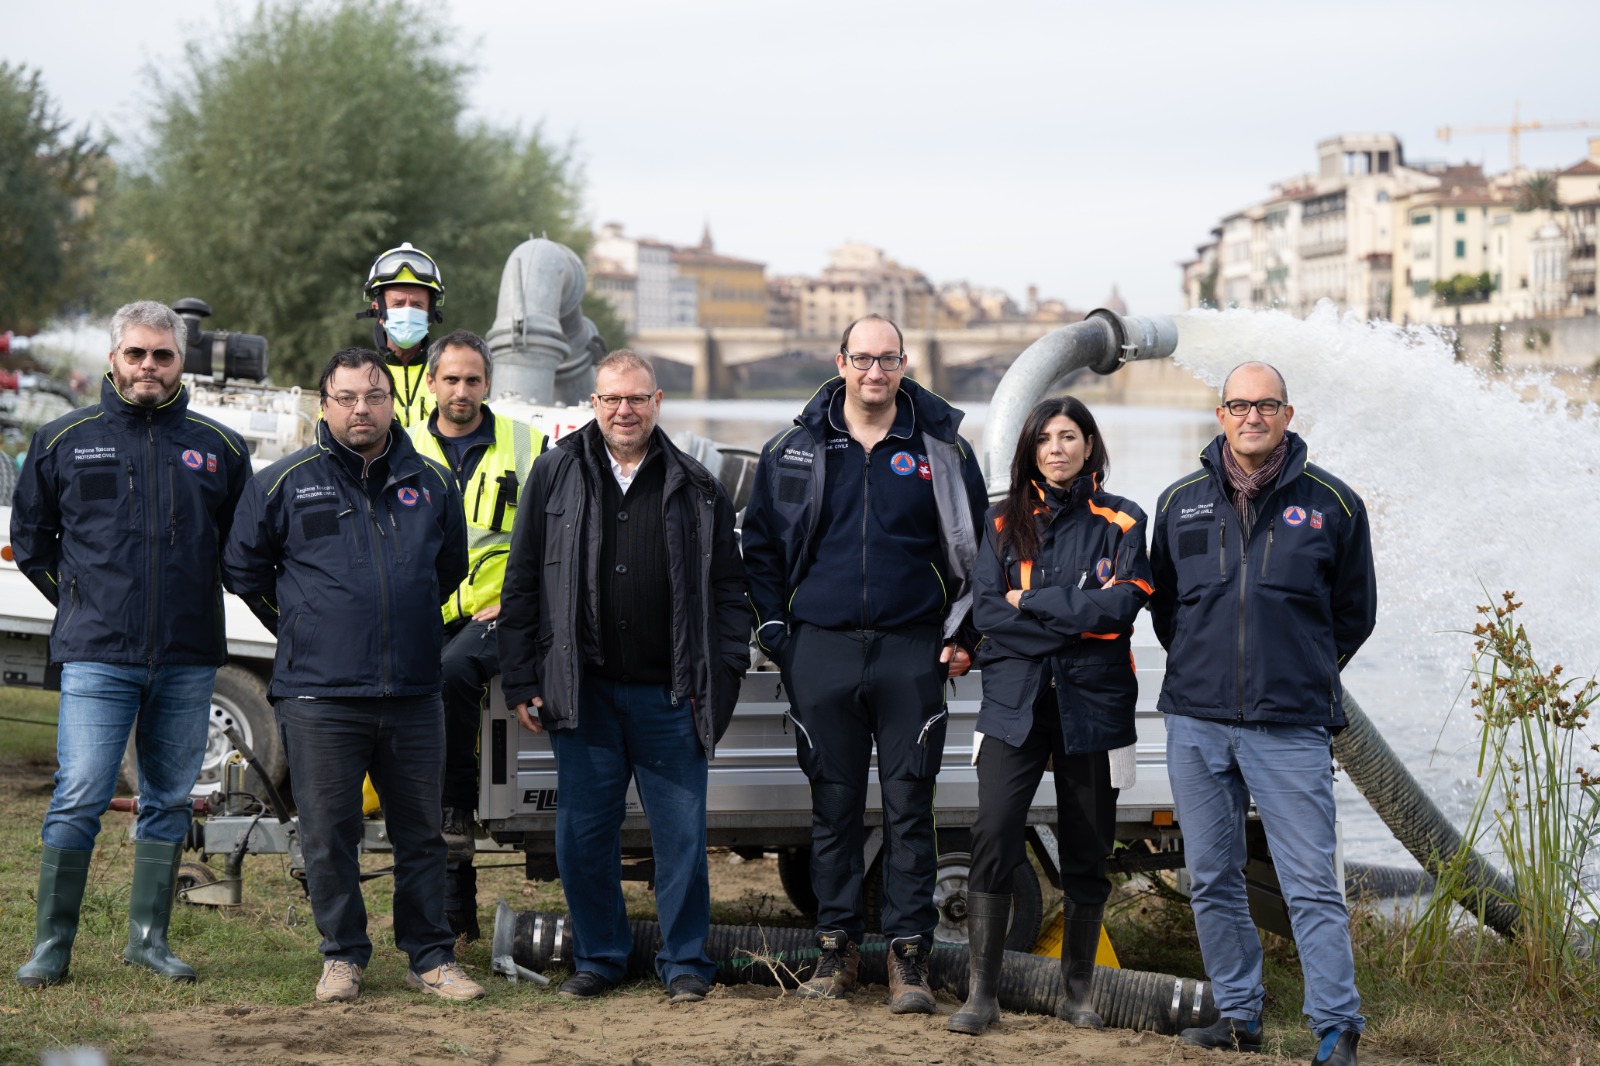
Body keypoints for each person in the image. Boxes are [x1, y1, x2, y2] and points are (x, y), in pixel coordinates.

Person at [740, 313, 987, 1013]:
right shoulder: (794, 448)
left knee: (911, 806)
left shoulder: (941, 448)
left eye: (888, 360)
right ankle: (836, 953)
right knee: (835, 807)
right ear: (840, 361)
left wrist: (967, 637)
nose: (875, 372)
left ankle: (910, 960)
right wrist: (780, 633)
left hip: (914, 648)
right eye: (863, 359)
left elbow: (977, 553)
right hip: (820, 647)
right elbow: (758, 546)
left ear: (904, 365)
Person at [222, 347, 481, 1005]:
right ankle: (343, 957)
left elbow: (445, 570)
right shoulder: (283, 481)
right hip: (320, 693)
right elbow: (244, 571)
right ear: (323, 403)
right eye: (345, 397)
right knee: (329, 833)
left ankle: (430, 957)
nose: (360, 409)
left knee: (421, 833)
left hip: (415, 693)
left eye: (373, 396)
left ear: (392, 402)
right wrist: (304, 622)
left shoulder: (431, 483)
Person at [10, 301, 251, 988]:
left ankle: (149, 939)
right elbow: (32, 543)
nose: (149, 366)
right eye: (137, 354)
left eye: (163, 355)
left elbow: (241, 551)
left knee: (169, 797)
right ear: (113, 359)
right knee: (80, 792)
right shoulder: (63, 440)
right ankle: (52, 947)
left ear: (181, 362)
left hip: (186, 654)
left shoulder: (222, 449)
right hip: (97, 656)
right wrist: (82, 604)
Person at [497, 350, 749, 1005]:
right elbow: (523, 580)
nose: (624, 411)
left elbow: (728, 592)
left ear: (657, 401)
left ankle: (687, 962)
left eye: (636, 399)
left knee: (684, 842)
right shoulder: (555, 475)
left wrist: (720, 677)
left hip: (673, 695)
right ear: (594, 403)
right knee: (582, 838)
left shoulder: (696, 485)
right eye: (611, 399)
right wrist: (522, 676)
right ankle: (600, 958)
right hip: (586, 694)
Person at [1149, 362, 1375, 1066]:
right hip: (1196, 722)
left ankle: (1337, 1027)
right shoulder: (1179, 501)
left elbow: (1353, 615)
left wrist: (1296, 670)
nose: (1253, 416)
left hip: (1290, 725)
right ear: (1221, 415)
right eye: (1239, 405)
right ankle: (1239, 1015)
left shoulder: (1334, 503)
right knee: (1211, 878)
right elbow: (1167, 611)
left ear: (1288, 413)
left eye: (1267, 405)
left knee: (1310, 883)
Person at [948, 397, 1152, 1035]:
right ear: (1030, 449)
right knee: (995, 835)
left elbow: (1121, 610)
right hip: (1014, 705)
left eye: (1070, 436)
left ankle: (1077, 992)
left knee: (1088, 847)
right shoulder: (1001, 520)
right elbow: (987, 613)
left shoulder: (1124, 518)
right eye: (1045, 439)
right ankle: (982, 995)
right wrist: (1069, 617)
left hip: (1094, 706)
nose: (1057, 449)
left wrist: (1031, 601)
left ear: (1090, 445)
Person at [407, 328, 547, 940]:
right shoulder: (400, 445)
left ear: (488, 384)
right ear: (431, 383)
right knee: (417, 737)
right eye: (451, 380)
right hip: (422, 612)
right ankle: (452, 916)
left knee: (452, 675)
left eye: (472, 380)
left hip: (498, 615)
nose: (461, 390)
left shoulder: (528, 443)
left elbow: (547, 541)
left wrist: (518, 604)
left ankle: (455, 809)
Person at [361, 241, 446, 428]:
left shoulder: (451, 375)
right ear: (378, 311)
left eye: (417, 305)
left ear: (431, 313)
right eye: (398, 304)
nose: (408, 312)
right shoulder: (356, 376)